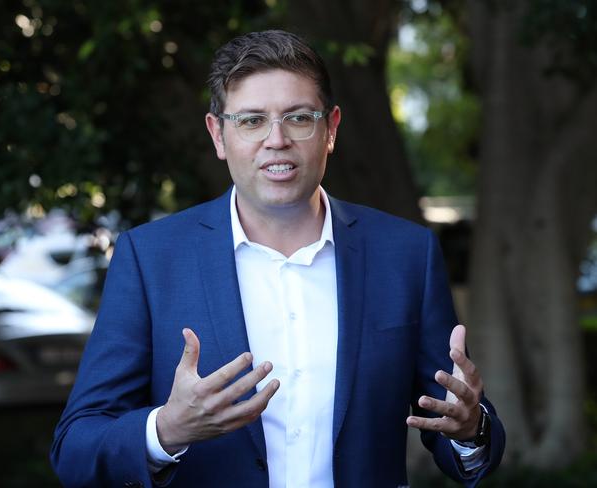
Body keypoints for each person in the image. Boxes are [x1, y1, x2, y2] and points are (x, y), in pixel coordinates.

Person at [51, 30, 505, 488]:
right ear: (218, 134)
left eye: (298, 118)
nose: (277, 140)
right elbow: (76, 447)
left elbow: (455, 426)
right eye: (251, 121)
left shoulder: (406, 255)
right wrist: (167, 430)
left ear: (330, 129)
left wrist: (471, 429)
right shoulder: (151, 259)